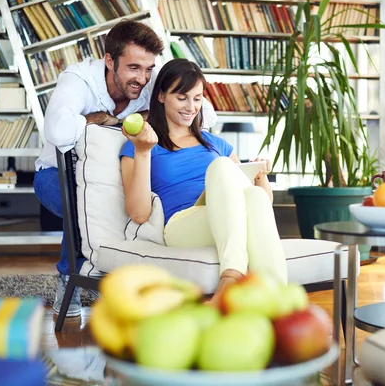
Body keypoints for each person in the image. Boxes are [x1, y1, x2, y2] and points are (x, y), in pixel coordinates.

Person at [33, 20, 218, 317]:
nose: (142, 78)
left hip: (118, 174)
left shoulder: (149, 77)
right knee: (85, 203)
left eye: (148, 69)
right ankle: (72, 277)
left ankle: (130, 274)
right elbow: (57, 130)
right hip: (55, 176)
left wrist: (146, 114)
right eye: (133, 68)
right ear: (109, 60)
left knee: (135, 204)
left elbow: (206, 114)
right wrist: (99, 119)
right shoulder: (79, 79)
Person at [119, 59, 287, 304]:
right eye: (182, 97)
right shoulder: (140, 144)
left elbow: (261, 202)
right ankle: (231, 276)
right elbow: (139, 213)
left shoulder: (214, 142)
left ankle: (278, 305)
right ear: (162, 96)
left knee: (255, 195)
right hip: (183, 224)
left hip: (227, 218)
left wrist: (260, 175)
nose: (191, 107)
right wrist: (144, 151)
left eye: (197, 99)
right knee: (221, 166)